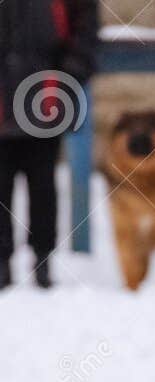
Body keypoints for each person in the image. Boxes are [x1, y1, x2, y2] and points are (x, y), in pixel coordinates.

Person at [0, 0, 99, 289]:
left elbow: (85, 32)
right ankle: (2, 262)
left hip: (45, 96)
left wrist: (68, 75)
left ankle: (43, 259)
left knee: (43, 184)